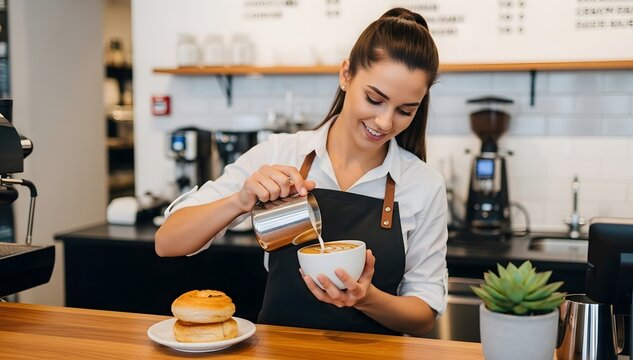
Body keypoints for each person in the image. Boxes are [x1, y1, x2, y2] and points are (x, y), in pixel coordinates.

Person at [155, 7, 448, 337]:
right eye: (374, 99)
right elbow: (167, 242)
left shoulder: (423, 185)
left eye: (404, 111)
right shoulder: (281, 153)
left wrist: (365, 299)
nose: (384, 122)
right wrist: (240, 201)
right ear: (346, 74)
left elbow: (424, 315)